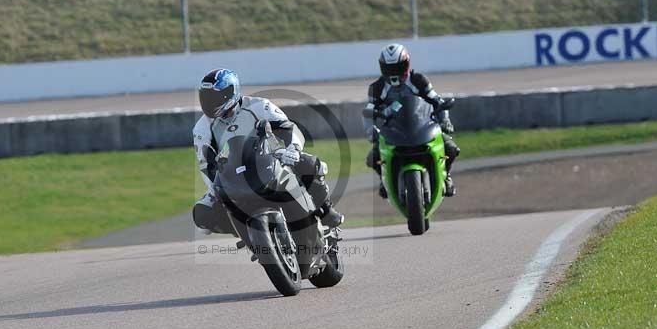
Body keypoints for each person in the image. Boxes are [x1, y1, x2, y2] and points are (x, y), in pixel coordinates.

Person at [192, 68, 344, 234]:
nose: (209, 102)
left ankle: (327, 211)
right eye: (205, 97)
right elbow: (206, 165)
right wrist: (216, 189)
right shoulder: (201, 128)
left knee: (311, 164)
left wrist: (292, 149)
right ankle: (247, 232)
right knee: (202, 215)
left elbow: (289, 128)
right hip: (234, 176)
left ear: (231, 93)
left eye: (214, 97)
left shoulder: (259, 106)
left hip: (271, 159)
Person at [363, 43, 460, 199]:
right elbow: (368, 112)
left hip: (423, 126)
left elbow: (438, 101)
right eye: (389, 68)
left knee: (451, 148)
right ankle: (384, 180)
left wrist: (445, 121)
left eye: (398, 67)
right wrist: (370, 131)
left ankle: (446, 176)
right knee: (373, 158)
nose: (394, 72)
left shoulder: (418, 80)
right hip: (393, 131)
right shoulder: (377, 87)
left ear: (407, 64)